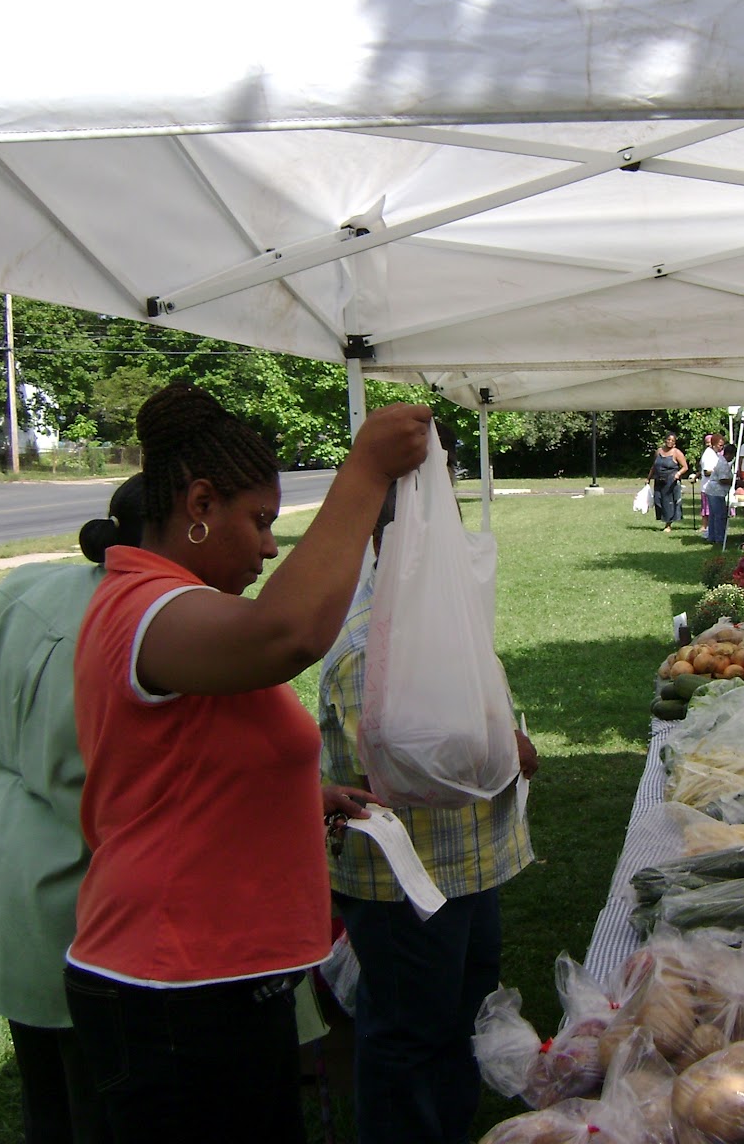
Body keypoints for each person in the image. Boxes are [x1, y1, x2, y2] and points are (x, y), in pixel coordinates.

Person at [64, 383, 429, 1143]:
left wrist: (303, 798)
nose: (270, 546)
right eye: (260, 521)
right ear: (199, 503)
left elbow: (181, 768)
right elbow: (284, 636)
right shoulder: (145, 607)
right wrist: (363, 472)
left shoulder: (173, 605)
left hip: (213, 982)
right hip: (170, 988)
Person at [320, 422, 540, 1144]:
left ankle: (447, 1124)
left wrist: (506, 743)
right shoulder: (367, 645)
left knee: (460, 1015)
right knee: (411, 1033)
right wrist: (500, 754)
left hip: (470, 863)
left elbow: (482, 722)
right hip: (407, 880)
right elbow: (410, 766)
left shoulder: (438, 621)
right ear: (388, 546)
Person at [0, 478, 145, 1144]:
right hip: (74, 887)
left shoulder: (25, 586)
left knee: (46, 1089)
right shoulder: (136, 626)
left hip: (1, 862)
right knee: (98, 1093)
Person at [648, 434, 688, 533]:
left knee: (668, 502)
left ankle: (668, 524)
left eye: (672, 440)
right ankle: (663, 518)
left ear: (675, 443)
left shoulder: (677, 453)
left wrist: (678, 474)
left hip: (671, 481)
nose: (670, 442)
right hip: (658, 480)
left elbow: (685, 467)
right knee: (658, 500)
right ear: (665, 440)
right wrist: (648, 478)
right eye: (668, 439)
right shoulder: (659, 451)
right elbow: (654, 466)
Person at [703, 441, 736, 549]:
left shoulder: (722, 461)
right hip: (716, 492)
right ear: (729, 454)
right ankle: (719, 538)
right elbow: (723, 480)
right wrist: (735, 482)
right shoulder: (722, 463)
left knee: (713, 516)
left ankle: (712, 536)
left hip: (714, 491)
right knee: (719, 516)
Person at [698, 433, 723, 537]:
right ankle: (714, 535)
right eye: (720, 445)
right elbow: (706, 472)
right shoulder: (708, 454)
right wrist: (719, 473)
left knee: (713, 514)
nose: (722, 447)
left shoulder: (714, 453)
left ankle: (712, 534)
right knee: (714, 514)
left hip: (714, 488)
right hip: (709, 488)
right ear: (714, 444)